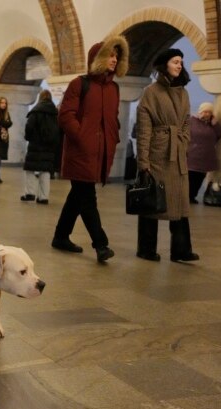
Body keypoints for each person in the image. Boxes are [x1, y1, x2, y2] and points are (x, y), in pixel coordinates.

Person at [51, 35, 129, 263]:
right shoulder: (80, 83)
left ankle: (60, 236)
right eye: (110, 55)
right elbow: (65, 115)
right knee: (87, 197)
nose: (114, 59)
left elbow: (112, 119)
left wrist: (112, 139)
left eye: (117, 55)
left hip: (100, 153)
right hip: (81, 151)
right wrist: (83, 137)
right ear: (98, 58)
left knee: (77, 196)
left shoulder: (113, 88)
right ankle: (101, 244)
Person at [135, 48, 199, 262]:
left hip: (178, 152)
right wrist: (143, 161)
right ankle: (146, 248)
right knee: (152, 200)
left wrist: (185, 139)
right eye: (175, 61)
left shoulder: (184, 91)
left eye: (181, 61)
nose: (179, 65)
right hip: (158, 153)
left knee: (180, 201)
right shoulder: (150, 92)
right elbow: (144, 130)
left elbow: (187, 121)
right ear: (164, 65)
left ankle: (181, 250)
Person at [21, 90, 60, 204]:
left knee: (30, 168)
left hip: (35, 144)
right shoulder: (55, 112)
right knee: (45, 171)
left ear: (40, 98)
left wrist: (29, 137)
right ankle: (43, 197)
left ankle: (30, 193)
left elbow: (29, 126)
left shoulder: (36, 111)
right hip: (49, 146)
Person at [187, 102, 221, 204]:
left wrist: (215, 124)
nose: (207, 114)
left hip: (206, 157)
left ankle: (192, 196)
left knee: (199, 178)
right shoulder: (192, 121)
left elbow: (220, 134)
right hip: (192, 155)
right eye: (205, 111)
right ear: (200, 111)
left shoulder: (213, 124)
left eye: (209, 112)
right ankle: (186, 197)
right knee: (190, 178)